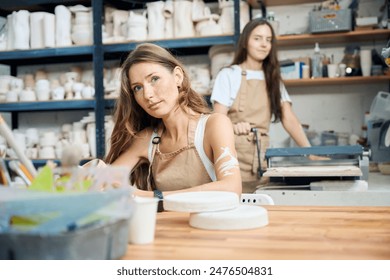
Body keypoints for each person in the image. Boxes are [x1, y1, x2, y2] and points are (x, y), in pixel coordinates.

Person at [105, 43, 242, 200]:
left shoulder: (214, 125)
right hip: (166, 225)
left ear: (177, 76)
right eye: (138, 88)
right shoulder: (148, 139)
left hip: (210, 224)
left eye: (154, 79)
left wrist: (152, 197)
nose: (147, 94)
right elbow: (105, 182)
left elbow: (232, 188)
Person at [210, 18, 313, 193]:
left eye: (268, 39)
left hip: (262, 157)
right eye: (257, 38)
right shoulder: (228, 75)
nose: (264, 44)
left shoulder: (273, 79)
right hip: (232, 155)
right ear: (245, 42)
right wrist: (234, 126)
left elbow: (289, 118)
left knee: (260, 203)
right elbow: (217, 120)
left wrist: (310, 152)